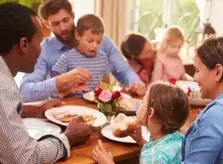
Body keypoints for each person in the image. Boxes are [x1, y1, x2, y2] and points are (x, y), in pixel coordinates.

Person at [0, 3, 94, 163]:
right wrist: (68, 138)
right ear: (24, 44)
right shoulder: (3, 88)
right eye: (39, 41)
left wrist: (36, 110)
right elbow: (26, 158)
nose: (41, 50)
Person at [20, 0, 145, 102]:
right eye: (56, 24)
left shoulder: (102, 41)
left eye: (66, 20)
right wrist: (60, 81)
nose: (63, 28)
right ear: (47, 24)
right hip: (63, 112)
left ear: (73, 16)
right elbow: (24, 92)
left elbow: (123, 70)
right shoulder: (45, 49)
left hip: (100, 108)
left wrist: (136, 83)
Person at [92, 82, 189, 164]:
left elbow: (155, 157)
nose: (140, 105)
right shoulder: (179, 138)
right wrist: (141, 141)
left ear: (150, 112)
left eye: (143, 102)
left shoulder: (152, 158)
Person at [52, 14, 110, 97]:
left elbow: (106, 82)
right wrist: (71, 89)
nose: (95, 46)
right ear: (77, 35)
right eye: (90, 41)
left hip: (94, 105)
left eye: (98, 42)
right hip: (73, 105)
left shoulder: (102, 58)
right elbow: (57, 90)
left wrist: (103, 89)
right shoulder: (67, 58)